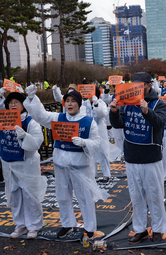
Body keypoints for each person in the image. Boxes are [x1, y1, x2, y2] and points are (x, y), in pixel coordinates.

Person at [23, 85, 108, 241]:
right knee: (62, 196)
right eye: (67, 101)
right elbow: (41, 116)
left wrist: (84, 142)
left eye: (73, 101)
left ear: (79, 103)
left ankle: (90, 228)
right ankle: (67, 224)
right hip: (61, 165)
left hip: (81, 166)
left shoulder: (88, 122)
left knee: (85, 197)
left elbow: (96, 142)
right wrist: (31, 99)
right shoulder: (58, 118)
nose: (69, 104)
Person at [109, 72, 166, 244]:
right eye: (134, 85)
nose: (137, 88)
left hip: (151, 158)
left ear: (148, 85)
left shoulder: (159, 103)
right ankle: (140, 229)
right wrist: (113, 112)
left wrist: (147, 111)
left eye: (140, 85)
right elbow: (118, 123)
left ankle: (157, 229)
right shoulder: (126, 103)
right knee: (136, 196)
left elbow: (159, 123)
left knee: (155, 195)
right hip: (132, 157)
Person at [0, 90, 46, 239]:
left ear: (23, 105)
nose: (13, 105)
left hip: (26, 163)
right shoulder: (3, 120)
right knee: (14, 195)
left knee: (30, 195)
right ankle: (20, 224)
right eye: (10, 102)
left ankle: (34, 225)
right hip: (9, 163)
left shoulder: (29, 121)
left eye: (16, 102)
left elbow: (37, 142)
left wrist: (25, 136)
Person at [82, 87, 111, 184]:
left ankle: (106, 175)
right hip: (88, 132)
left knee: (103, 153)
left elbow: (102, 114)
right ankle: (92, 175)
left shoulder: (101, 103)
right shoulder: (84, 104)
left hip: (100, 132)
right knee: (91, 153)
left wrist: (96, 103)